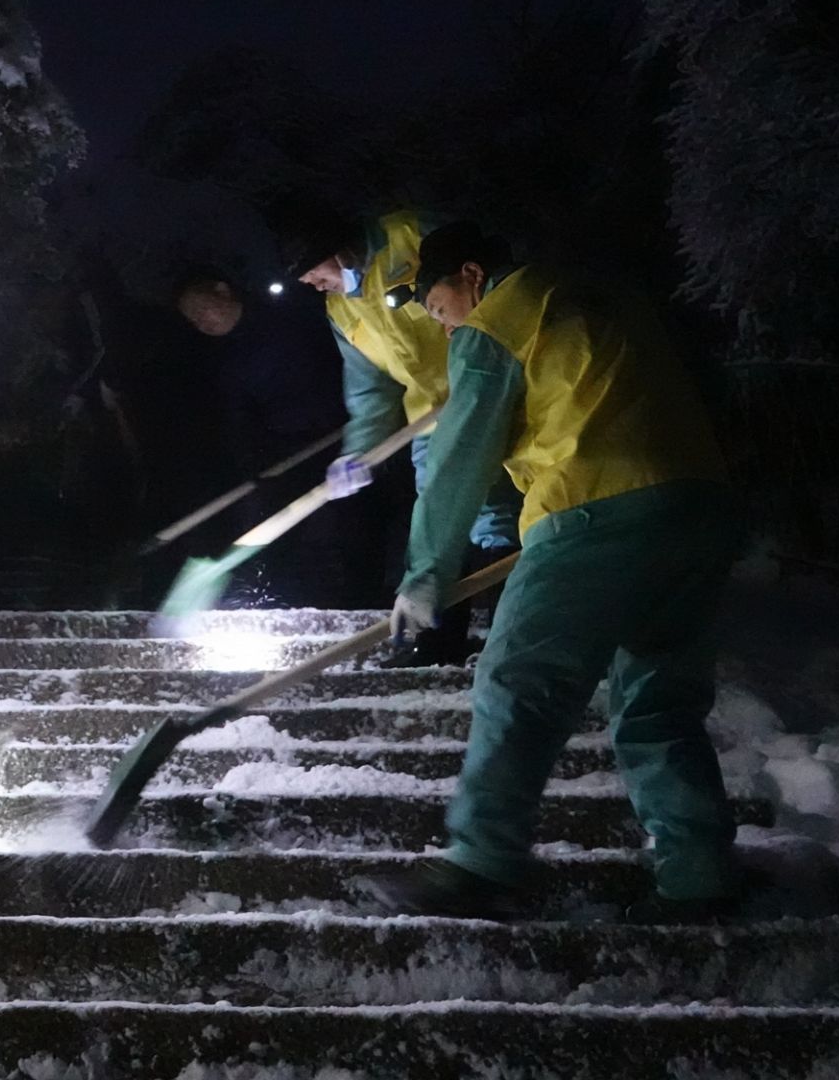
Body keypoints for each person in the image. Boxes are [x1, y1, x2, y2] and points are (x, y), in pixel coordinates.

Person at [361, 222, 740, 923]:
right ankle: (700, 874)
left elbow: (457, 464)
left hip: (594, 509)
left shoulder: (499, 323)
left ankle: (481, 863)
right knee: (660, 702)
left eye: (439, 306)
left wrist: (424, 575)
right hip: (700, 504)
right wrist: (509, 533)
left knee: (517, 682)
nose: (443, 326)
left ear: (472, 276)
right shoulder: (605, 299)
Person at [278, 206, 522, 664]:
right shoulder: (340, 309)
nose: (310, 283)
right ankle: (438, 643)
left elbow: (487, 281)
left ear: (337, 248)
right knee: (434, 521)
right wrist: (360, 453)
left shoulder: (409, 236)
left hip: (489, 392)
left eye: (312, 270)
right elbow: (371, 391)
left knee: (496, 518)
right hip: (428, 418)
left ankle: (509, 641)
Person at [174, 266, 358, 605]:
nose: (202, 322)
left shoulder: (290, 319)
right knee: (269, 533)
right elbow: (239, 420)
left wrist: (353, 430)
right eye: (194, 320)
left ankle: (337, 605)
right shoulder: (226, 361)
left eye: (202, 309)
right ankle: (272, 602)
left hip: (339, 439)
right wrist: (257, 462)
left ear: (222, 289)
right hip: (283, 454)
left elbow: (339, 370)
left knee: (332, 535)